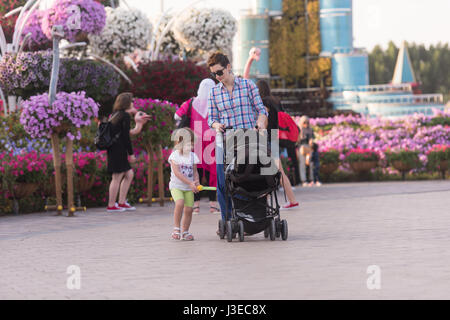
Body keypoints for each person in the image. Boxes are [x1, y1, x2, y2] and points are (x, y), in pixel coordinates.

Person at [207, 51, 268, 227]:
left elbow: (261, 110)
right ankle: (227, 220)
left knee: (252, 178)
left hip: (249, 139)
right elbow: (211, 118)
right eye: (214, 74)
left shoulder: (248, 85)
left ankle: (253, 216)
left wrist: (260, 124)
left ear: (228, 67)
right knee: (222, 181)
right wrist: (216, 125)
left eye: (219, 72)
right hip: (226, 141)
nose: (217, 77)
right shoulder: (214, 92)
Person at [175, 79, 219, 214]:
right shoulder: (217, 102)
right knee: (213, 173)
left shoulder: (191, 102)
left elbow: (177, 116)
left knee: (195, 172)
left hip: (196, 141)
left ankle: (196, 205)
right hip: (213, 140)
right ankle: (213, 205)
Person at [106, 92, 150, 212]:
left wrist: (136, 115)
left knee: (128, 174)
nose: (133, 103)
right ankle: (111, 205)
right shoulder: (124, 116)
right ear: (126, 103)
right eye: (131, 101)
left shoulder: (116, 114)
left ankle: (121, 202)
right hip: (118, 149)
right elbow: (126, 137)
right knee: (117, 176)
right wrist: (131, 154)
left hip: (114, 149)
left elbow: (126, 132)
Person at [262, 96, 299, 210]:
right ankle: (292, 200)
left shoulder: (263, 103)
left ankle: (264, 203)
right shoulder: (275, 101)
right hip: (274, 137)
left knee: (264, 172)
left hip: (267, 138)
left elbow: (264, 123)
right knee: (279, 172)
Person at [168, 128, 200, 241]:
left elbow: (195, 172)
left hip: (188, 188)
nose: (190, 148)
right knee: (180, 203)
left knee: (189, 209)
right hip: (176, 186)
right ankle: (176, 229)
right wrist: (190, 182)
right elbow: (177, 173)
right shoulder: (174, 156)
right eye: (187, 145)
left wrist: (197, 182)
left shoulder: (193, 156)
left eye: (191, 145)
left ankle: (185, 231)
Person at [297, 115, 315, 186]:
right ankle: (303, 180)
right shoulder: (299, 129)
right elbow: (297, 141)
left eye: (307, 122)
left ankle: (311, 179)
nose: (306, 124)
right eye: (304, 122)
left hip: (308, 147)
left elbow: (311, 138)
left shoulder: (310, 130)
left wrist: (311, 142)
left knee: (310, 164)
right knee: (302, 164)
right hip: (301, 147)